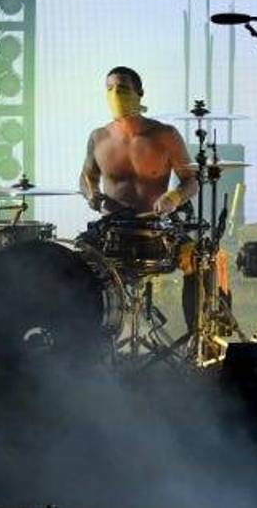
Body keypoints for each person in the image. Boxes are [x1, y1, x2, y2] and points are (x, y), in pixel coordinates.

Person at [79, 66, 208, 334]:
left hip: (156, 229)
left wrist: (174, 197)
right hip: (112, 231)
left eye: (123, 89)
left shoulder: (165, 135)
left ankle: (197, 341)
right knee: (73, 263)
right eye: (110, 89)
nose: (116, 94)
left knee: (199, 258)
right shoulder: (98, 137)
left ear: (140, 94)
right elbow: (86, 177)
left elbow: (192, 180)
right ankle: (87, 343)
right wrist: (93, 196)